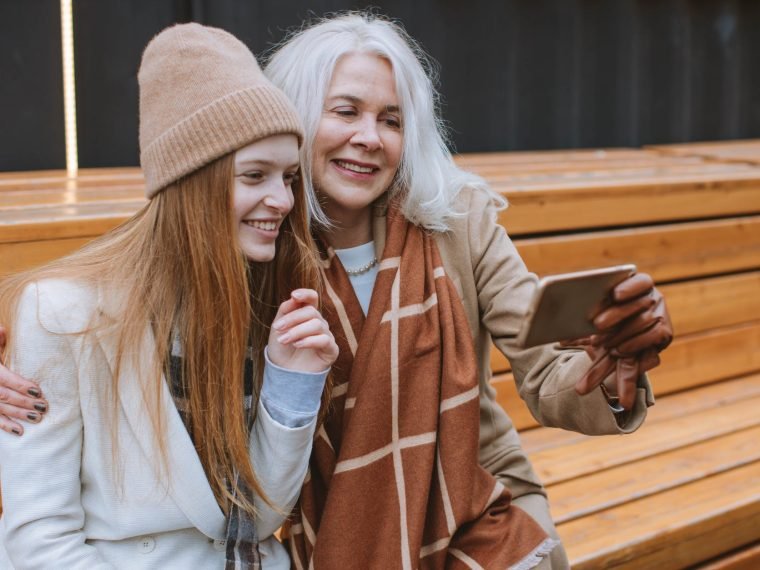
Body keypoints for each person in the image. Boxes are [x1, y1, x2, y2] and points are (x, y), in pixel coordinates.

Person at [0, 12, 673, 569]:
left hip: (465, 510)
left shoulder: (453, 219)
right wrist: (19, 362)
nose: (368, 139)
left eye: (391, 119)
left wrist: (609, 366)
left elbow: (549, 366)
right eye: (345, 110)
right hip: (305, 527)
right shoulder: (250, 245)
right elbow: (115, 309)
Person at [0, 23, 337, 569]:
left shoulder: (259, 298)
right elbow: (41, 541)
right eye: (254, 175)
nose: (281, 199)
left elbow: (259, 519)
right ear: (189, 183)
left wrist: (291, 384)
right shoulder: (61, 313)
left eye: (289, 177)